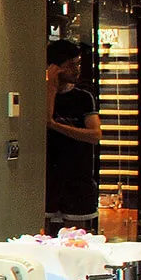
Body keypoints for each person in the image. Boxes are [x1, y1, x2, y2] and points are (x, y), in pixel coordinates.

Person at [45, 38, 102, 233]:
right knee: (41, 233)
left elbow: (95, 134)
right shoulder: (40, 94)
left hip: (78, 176)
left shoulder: (83, 97)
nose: (77, 70)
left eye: (77, 64)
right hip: (48, 177)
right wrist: (50, 89)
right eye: (71, 65)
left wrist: (55, 126)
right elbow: (45, 119)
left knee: (76, 235)